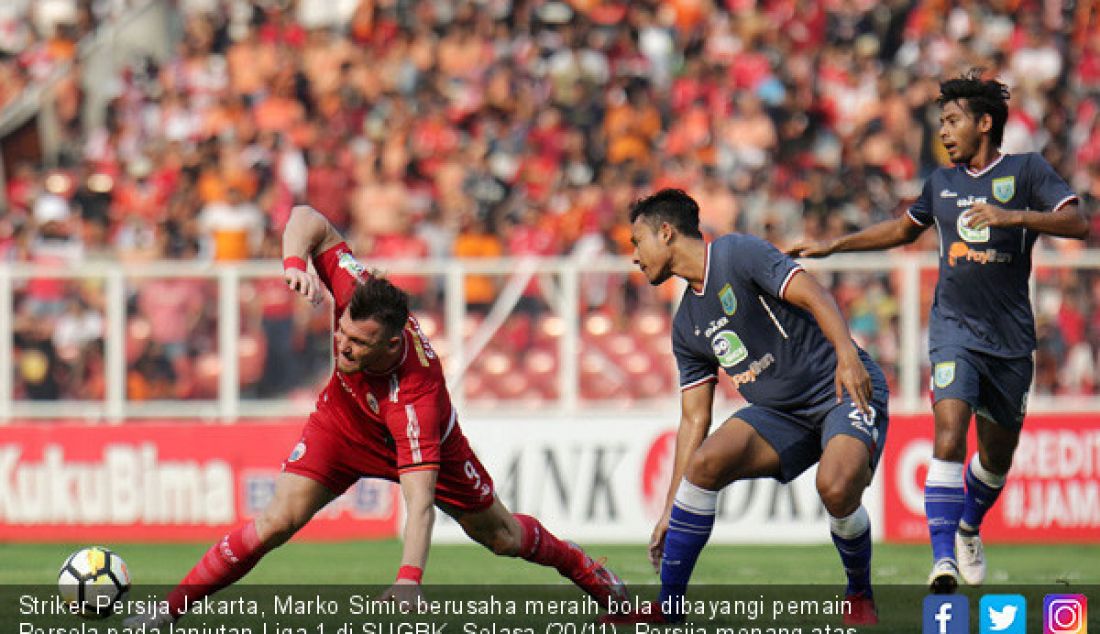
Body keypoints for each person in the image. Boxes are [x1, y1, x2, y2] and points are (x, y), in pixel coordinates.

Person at [126, 205, 626, 629]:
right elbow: (305, 216)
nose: (341, 345)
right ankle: (165, 613)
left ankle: (585, 569)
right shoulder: (354, 287)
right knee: (276, 520)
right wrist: (294, 261)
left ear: (391, 344)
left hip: (427, 447)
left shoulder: (414, 398)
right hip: (342, 425)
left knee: (502, 537)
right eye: (341, 333)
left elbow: (420, 502)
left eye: (357, 343)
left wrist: (409, 581)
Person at [787, 70, 1088, 593]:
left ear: (985, 122)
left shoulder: (1026, 171)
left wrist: (1010, 217)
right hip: (953, 329)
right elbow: (904, 228)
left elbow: (1076, 221)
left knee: (995, 460)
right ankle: (943, 559)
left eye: (952, 121)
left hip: (1011, 340)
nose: (944, 132)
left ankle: (969, 527)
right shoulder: (941, 183)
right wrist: (835, 246)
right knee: (948, 434)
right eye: (941, 122)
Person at [610, 189, 889, 626]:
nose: (635, 256)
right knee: (704, 465)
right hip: (780, 415)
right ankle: (669, 609)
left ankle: (859, 592)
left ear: (665, 233)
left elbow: (813, 292)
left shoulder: (736, 253)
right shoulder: (686, 325)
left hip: (837, 387)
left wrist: (849, 358)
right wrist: (670, 508)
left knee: (835, 488)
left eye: (637, 241)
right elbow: (694, 419)